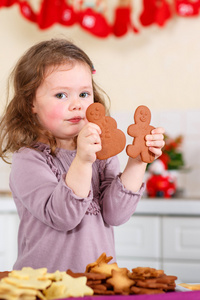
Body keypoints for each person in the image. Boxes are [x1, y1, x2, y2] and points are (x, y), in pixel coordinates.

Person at [0, 38, 165, 272]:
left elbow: (116, 214)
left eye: (84, 94)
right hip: (45, 287)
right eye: (61, 95)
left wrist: (138, 161)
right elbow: (63, 217)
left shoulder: (101, 152)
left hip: (99, 283)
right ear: (30, 103)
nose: (77, 105)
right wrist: (83, 160)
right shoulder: (28, 159)